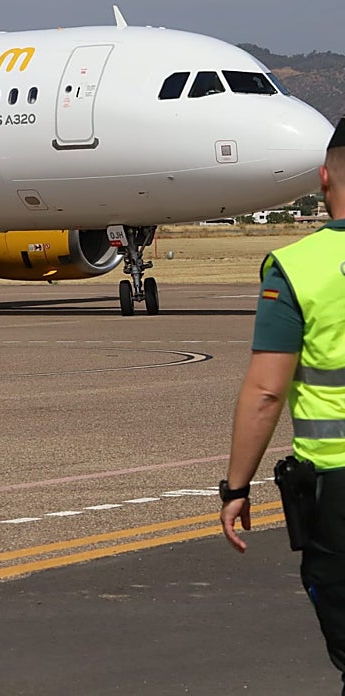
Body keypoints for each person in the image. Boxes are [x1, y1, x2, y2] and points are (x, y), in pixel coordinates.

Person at [221, 118, 345, 692]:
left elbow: (267, 391)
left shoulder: (296, 267)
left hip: (337, 493)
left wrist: (236, 487)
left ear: (324, 178)